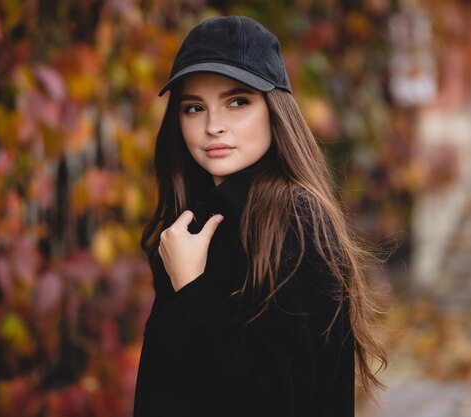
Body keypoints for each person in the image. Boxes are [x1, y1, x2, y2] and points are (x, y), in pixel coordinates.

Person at [133, 15, 387, 417]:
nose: (214, 126)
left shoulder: (294, 219)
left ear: (274, 109)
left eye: (238, 102)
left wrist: (193, 291)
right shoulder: (193, 223)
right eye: (194, 107)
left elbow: (277, 398)